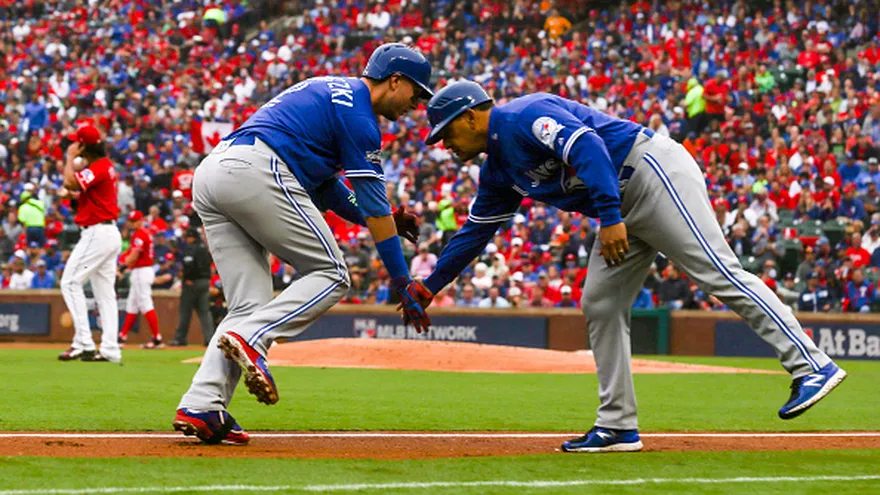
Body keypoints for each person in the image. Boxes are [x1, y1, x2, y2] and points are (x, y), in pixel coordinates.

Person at [411, 81, 846, 454]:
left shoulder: (524, 116)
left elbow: (588, 146)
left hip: (650, 172)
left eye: (445, 132)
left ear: (470, 116)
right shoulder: (497, 171)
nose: (444, 144)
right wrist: (430, 285)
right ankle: (618, 424)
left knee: (717, 272)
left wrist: (608, 216)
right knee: (600, 303)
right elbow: (475, 232)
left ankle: (812, 365)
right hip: (617, 206)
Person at [172, 43, 433, 445]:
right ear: (395, 80)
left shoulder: (332, 89)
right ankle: (254, 338)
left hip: (214, 173)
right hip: (256, 170)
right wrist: (401, 280)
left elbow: (329, 189)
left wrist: (385, 221)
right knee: (332, 274)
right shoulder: (360, 115)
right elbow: (373, 203)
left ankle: (202, 403)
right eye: (416, 92)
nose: (417, 104)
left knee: (248, 305)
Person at [57, 125, 123, 363]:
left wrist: (69, 157)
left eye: (77, 143)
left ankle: (84, 343)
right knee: (105, 295)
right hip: (106, 231)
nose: (74, 146)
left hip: (98, 233)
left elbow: (71, 182)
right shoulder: (101, 166)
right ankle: (109, 349)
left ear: (84, 146)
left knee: (70, 282)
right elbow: (82, 193)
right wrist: (72, 196)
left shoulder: (99, 166)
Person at [118, 210, 162, 348]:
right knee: (132, 304)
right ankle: (122, 336)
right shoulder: (142, 233)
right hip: (141, 271)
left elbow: (134, 255)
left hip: (141, 272)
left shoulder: (140, 234)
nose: (132, 223)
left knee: (145, 304)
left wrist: (121, 268)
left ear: (140, 220)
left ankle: (157, 338)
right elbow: (131, 253)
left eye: (134, 221)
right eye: (131, 221)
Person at [171, 229, 215, 347]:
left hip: (192, 282)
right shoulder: (204, 248)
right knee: (205, 312)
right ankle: (210, 339)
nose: (187, 239)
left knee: (185, 312)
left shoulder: (191, 248)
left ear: (192, 237)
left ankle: (180, 338)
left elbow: (188, 264)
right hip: (205, 282)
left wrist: (187, 277)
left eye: (188, 237)